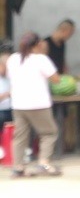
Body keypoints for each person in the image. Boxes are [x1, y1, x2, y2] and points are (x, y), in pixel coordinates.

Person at [5, 33, 62, 177]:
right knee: (49, 133)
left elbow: (10, 76)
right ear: (38, 44)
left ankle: (18, 167)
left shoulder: (13, 59)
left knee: (20, 136)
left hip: (18, 104)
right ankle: (44, 163)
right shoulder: (41, 59)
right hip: (38, 103)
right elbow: (56, 80)